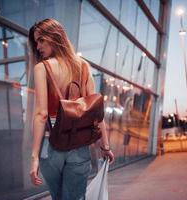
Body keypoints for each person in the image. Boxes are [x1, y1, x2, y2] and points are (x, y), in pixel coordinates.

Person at [28, 18, 114, 200]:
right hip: (80, 145)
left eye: (41, 40)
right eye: (36, 42)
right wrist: (105, 146)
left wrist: (34, 156)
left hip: (50, 146)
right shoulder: (83, 66)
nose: (38, 46)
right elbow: (95, 112)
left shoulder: (41, 68)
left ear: (55, 36)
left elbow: (41, 114)